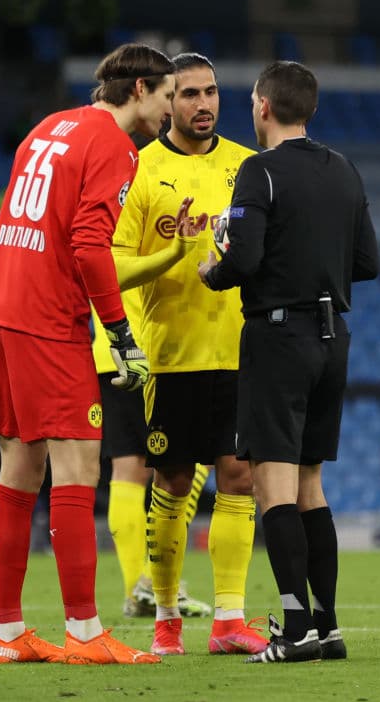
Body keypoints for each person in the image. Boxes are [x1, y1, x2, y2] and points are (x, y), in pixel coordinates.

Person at [0, 43, 184, 666]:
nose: (172, 111)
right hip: (45, 317)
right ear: (140, 89)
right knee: (78, 464)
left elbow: (15, 220)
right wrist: (118, 333)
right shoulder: (114, 147)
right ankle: (85, 632)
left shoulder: (47, 128)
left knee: (19, 469)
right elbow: (90, 247)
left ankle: (7, 635)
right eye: (169, 96)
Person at [198, 60, 379, 663]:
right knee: (311, 486)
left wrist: (212, 270)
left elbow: (243, 261)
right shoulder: (346, 170)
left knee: (271, 484)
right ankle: (327, 627)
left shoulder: (259, 171)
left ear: (264, 107)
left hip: (279, 337)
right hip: (335, 340)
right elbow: (368, 262)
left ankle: (295, 627)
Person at [111, 53, 267, 657]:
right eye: (189, 94)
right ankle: (168, 617)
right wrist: (169, 258)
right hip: (172, 355)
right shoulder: (141, 168)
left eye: (211, 93)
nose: (203, 104)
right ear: (166, 100)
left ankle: (229, 620)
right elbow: (114, 261)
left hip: (237, 351)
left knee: (239, 476)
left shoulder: (248, 167)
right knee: (173, 482)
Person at [91, 294, 211, 619]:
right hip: (154, 348)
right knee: (194, 458)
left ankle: (137, 590)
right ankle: (153, 583)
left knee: (127, 470)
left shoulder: (98, 239)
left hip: (110, 350)